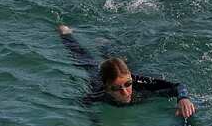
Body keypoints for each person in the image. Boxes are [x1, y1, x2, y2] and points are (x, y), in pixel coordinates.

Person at [57, 24, 196, 121]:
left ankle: (104, 46)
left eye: (128, 84)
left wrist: (183, 98)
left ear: (130, 78)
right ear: (107, 88)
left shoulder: (140, 83)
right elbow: (82, 108)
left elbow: (178, 86)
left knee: (120, 59)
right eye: (116, 88)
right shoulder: (98, 93)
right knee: (85, 60)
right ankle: (66, 35)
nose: (125, 92)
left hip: (125, 70)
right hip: (99, 76)